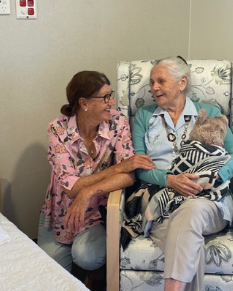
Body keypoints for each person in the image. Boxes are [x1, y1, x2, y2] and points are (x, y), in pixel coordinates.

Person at [134, 57, 233, 291]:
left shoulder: (209, 114)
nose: (154, 88)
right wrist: (170, 179)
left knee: (193, 210)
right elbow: (140, 169)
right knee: (186, 239)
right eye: (152, 83)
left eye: (161, 81)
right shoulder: (144, 117)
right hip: (165, 203)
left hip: (210, 203)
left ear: (182, 83)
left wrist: (213, 176)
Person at [37, 71, 155, 276]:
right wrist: (118, 167)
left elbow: (129, 176)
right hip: (60, 212)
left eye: (111, 95)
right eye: (105, 97)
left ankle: (94, 276)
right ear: (84, 102)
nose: (112, 101)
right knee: (49, 277)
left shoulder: (118, 122)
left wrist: (89, 191)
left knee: (86, 257)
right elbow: (71, 188)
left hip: (97, 213)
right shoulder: (57, 129)